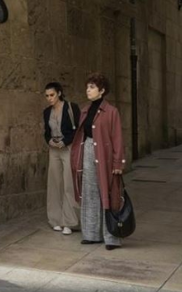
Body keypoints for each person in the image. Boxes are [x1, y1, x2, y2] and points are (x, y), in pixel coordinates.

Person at [70, 73, 126, 251]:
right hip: (88, 151)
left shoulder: (111, 111)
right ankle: (91, 234)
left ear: (102, 91)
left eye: (92, 87)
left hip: (105, 155)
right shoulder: (85, 110)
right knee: (89, 192)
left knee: (109, 194)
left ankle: (111, 237)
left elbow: (117, 138)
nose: (88, 90)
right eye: (87, 87)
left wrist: (118, 163)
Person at [43, 82, 81, 235]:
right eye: (47, 96)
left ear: (59, 93)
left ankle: (70, 221)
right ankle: (55, 220)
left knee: (68, 183)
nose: (49, 98)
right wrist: (49, 141)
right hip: (54, 149)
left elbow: (78, 129)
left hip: (68, 147)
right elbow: (46, 132)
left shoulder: (71, 108)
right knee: (54, 183)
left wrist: (65, 142)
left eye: (52, 95)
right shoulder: (47, 112)